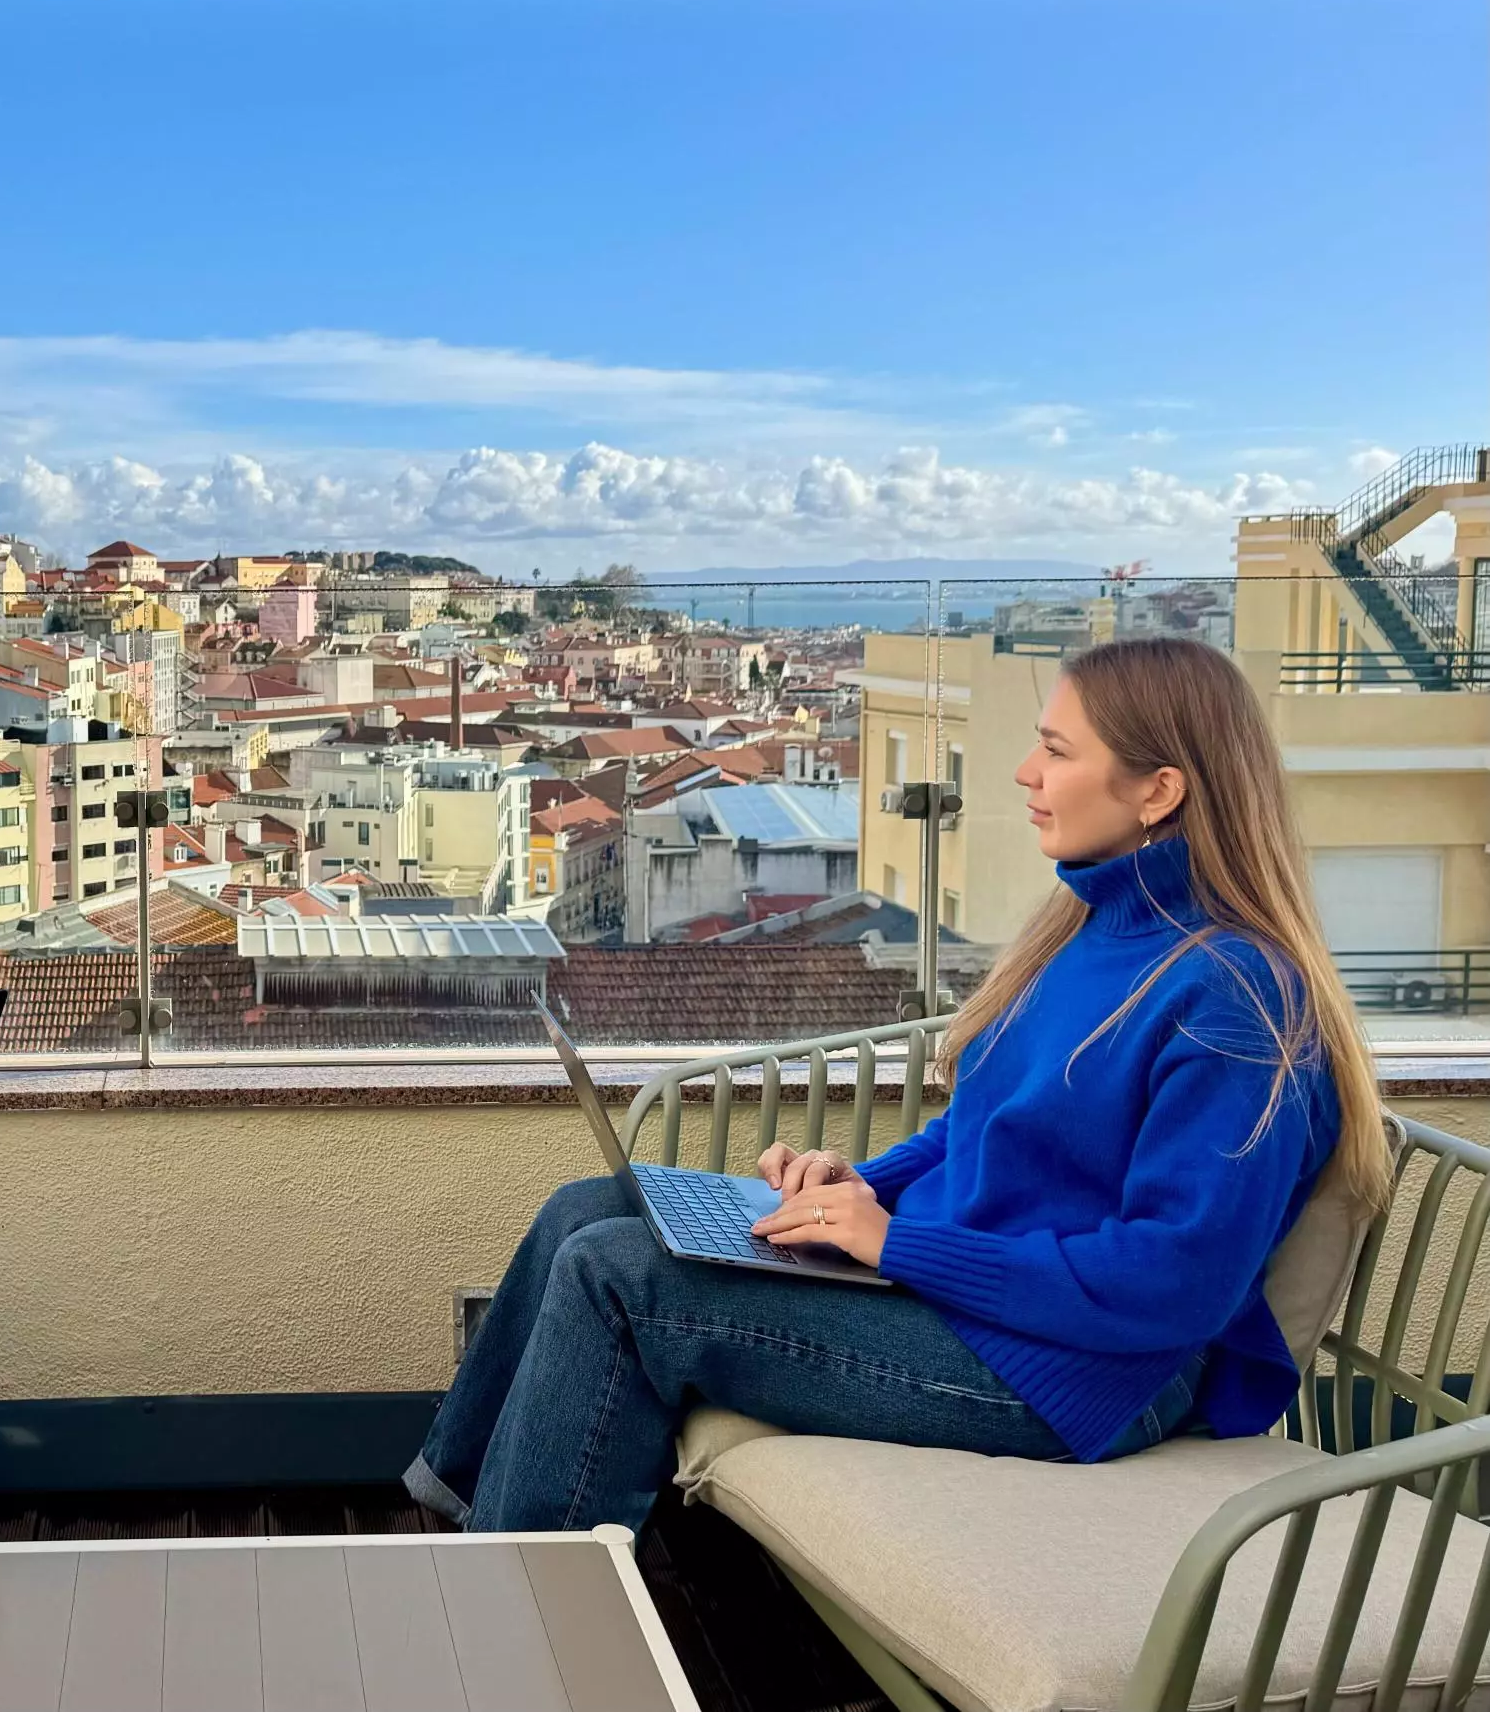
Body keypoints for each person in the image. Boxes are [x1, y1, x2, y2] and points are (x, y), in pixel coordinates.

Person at [407, 635, 1391, 1534]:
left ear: (1158, 791)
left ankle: (523, 1596)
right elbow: (983, 1130)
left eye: (1056, 750)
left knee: (616, 1275)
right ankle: (451, 1523)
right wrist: (857, 1191)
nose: (1025, 771)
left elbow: (1172, 1286)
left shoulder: (1235, 1004)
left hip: (1073, 1374)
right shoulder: (1091, 927)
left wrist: (895, 1243)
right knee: (588, 1208)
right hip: (971, 1299)